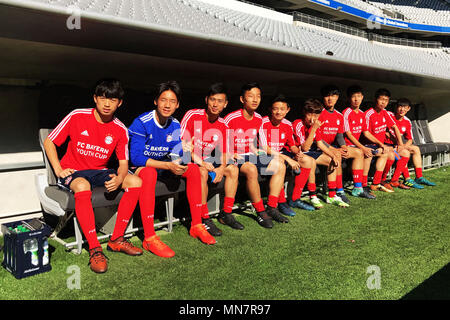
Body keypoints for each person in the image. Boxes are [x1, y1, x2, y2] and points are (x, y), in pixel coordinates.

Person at [44, 78, 143, 273]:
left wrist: (120, 178)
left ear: (119, 103)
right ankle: (95, 248)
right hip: (73, 172)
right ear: (95, 99)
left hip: (99, 171)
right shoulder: (77, 116)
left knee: (135, 180)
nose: (107, 104)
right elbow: (50, 142)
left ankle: (117, 239)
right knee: (82, 186)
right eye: (103, 98)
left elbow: (123, 164)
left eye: (113, 100)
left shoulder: (120, 129)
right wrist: (57, 169)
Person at [128, 80, 216, 259]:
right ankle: (150, 237)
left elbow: (176, 154)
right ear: (156, 101)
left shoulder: (175, 124)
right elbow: (136, 158)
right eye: (163, 100)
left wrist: (183, 156)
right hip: (141, 168)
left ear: (177, 105)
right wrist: (168, 165)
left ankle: (197, 225)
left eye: (172, 101)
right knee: (149, 173)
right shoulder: (141, 122)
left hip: (163, 166)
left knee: (192, 169)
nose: (167, 105)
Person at [180, 83, 243, 234]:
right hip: (189, 160)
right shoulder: (192, 115)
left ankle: (226, 214)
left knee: (233, 169)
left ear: (225, 104)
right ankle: (204, 218)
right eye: (212, 99)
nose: (215, 104)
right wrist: (202, 162)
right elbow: (181, 145)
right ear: (206, 99)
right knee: (201, 171)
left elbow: (226, 152)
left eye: (220, 101)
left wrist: (221, 168)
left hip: (207, 160)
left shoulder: (223, 125)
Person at [224, 82, 289, 228]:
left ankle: (272, 207)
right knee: (251, 168)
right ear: (242, 99)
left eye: (258, 96)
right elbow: (222, 144)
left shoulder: (259, 118)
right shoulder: (231, 118)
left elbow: (264, 145)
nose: (255, 100)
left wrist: (282, 156)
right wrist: (230, 153)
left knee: (279, 165)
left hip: (251, 156)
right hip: (235, 158)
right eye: (251, 96)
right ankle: (260, 211)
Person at [258, 94, 315, 215]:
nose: (279, 112)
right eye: (275, 108)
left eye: (282, 109)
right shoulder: (263, 122)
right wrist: (287, 159)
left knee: (307, 160)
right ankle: (281, 202)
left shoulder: (288, 124)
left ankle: (295, 199)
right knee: (281, 162)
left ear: (287, 110)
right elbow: (265, 148)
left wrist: (297, 152)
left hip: (281, 153)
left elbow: (292, 145)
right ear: (270, 109)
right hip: (266, 156)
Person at [293, 98, 349, 208]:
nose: (313, 118)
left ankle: (332, 195)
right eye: (310, 115)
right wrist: (313, 129)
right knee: (311, 162)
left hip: (311, 152)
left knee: (331, 160)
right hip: (299, 154)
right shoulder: (298, 124)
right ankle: (313, 196)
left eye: (316, 115)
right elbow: (305, 148)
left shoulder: (316, 125)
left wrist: (333, 155)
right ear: (305, 113)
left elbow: (320, 144)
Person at [319, 85, 367, 203]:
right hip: (320, 148)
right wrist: (333, 149)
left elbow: (340, 136)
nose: (330, 99)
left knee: (359, 152)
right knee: (338, 156)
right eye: (327, 96)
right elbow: (317, 138)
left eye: (333, 96)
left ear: (337, 98)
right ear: (323, 98)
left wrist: (344, 146)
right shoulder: (319, 113)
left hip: (334, 147)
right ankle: (339, 191)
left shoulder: (339, 115)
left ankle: (358, 188)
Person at [362, 88, 410, 192]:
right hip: (370, 145)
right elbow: (366, 133)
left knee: (405, 153)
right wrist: (381, 144)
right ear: (375, 99)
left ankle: (393, 180)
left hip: (381, 146)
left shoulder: (385, 113)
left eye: (386, 100)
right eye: (381, 99)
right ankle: (379, 181)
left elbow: (395, 127)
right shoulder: (369, 114)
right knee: (390, 155)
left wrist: (400, 144)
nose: (384, 102)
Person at [342, 85, 384, 198]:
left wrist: (380, 144)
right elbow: (348, 134)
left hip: (356, 146)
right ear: (349, 98)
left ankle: (373, 183)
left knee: (379, 152)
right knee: (362, 153)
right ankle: (359, 187)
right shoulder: (346, 112)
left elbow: (366, 133)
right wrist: (362, 147)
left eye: (359, 96)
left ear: (362, 97)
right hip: (345, 146)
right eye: (353, 97)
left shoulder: (362, 113)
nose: (356, 99)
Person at [385, 98, 436, 188]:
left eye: (405, 107)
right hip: (387, 146)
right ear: (396, 107)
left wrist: (403, 146)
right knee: (404, 153)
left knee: (415, 149)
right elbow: (384, 132)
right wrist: (400, 146)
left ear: (408, 109)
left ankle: (419, 177)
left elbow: (409, 139)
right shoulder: (389, 115)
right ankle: (406, 179)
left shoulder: (407, 121)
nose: (402, 109)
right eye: (400, 106)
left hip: (397, 146)